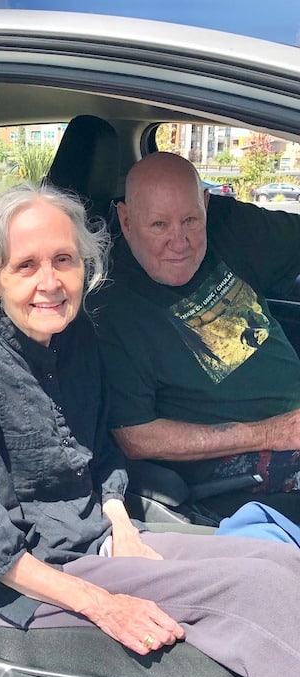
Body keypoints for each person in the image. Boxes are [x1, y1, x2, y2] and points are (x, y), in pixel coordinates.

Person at [0, 181, 300, 677]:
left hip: (103, 540)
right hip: (42, 578)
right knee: (256, 591)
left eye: (63, 260)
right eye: (26, 266)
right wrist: (104, 606)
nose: (50, 283)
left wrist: (122, 527)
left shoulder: (77, 339)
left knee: (280, 561)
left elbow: (101, 456)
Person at [91, 152, 300, 514]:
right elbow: (136, 437)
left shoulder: (231, 228)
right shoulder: (111, 307)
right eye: (158, 225)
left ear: (206, 204)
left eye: (190, 220)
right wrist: (269, 433)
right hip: (237, 466)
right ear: (125, 220)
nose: (179, 241)